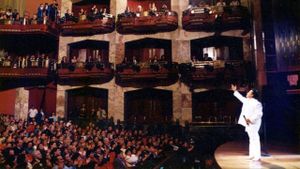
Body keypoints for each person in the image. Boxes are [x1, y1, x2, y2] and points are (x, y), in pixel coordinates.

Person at [231, 84, 263, 161]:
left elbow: (259, 114)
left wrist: (251, 119)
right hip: (248, 122)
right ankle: (252, 155)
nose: (247, 92)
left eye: (249, 92)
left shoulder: (257, 103)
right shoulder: (247, 100)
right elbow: (240, 97)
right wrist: (235, 91)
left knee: (255, 138)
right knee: (251, 138)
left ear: (252, 95)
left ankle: (257, 155)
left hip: (254, 123)